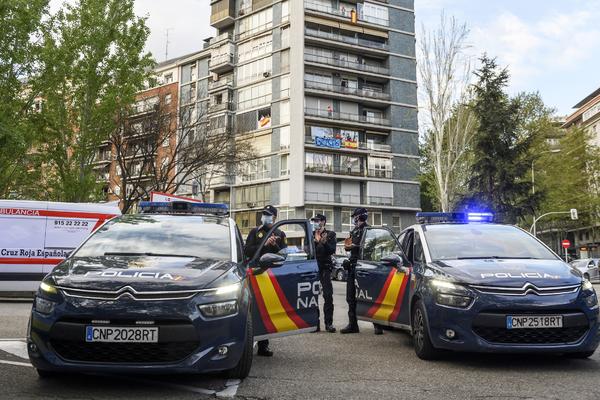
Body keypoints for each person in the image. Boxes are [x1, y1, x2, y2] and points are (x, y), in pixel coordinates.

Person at [244, 205, 287, 357]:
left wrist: (274, 244)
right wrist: (264, 246)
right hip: (255, 273)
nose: (265, 217)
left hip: (272, 276)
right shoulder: (255, 232)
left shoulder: (280, 233)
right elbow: (247, 250)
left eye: (268, 215)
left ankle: (264, 344)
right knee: (252, 308)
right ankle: (247, 342)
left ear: (274, 217)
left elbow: (283, 254)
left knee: (266, 309)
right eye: (264, 214)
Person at [340, 207, 384, 335]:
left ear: (360, 217)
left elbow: (371, 247)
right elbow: (349, 247)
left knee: (371, 296)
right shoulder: (354, 231)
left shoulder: (369, 230)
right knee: (350, 297)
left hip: (365, 266)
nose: (354, 218)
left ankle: (378, 325)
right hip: (353, 266)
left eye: (355, 216)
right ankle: (353, 325)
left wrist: (357, 246)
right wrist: (348, 247)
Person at [310, 214, 337, 333]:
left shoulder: (330, 234)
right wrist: (316, 241)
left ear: (323, 222)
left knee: (328, 295)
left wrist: (323, 242)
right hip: (314, 268)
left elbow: (331, 250)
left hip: (325, 268)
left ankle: (329, 324)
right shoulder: (310, 235)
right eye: (314, 221)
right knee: (313, 296)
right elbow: (307, 251)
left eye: (318, 220)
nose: (316, 223)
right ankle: (315, 324)